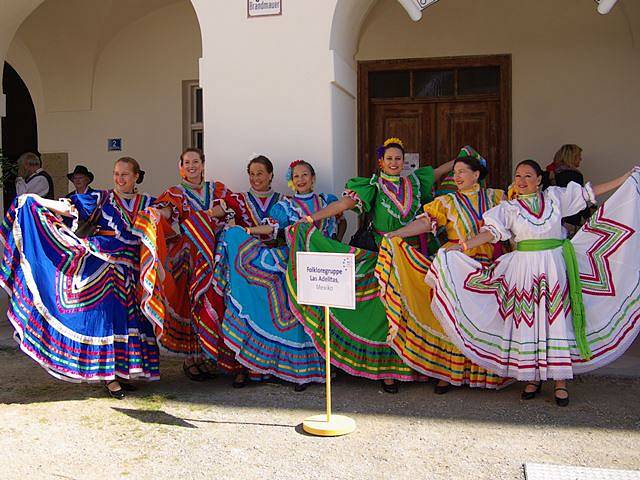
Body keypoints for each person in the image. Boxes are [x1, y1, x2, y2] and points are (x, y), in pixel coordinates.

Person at [426, 159, 638, 406]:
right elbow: (492, 233)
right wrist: (462, 246)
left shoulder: (555, 198)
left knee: (556, 321)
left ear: (539, 180)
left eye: (528, 176)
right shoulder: (508, 209)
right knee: (530, 322)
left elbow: (588, 193)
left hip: (555, 267)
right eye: (518, 176)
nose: (522, 181)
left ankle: (560, 381)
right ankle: (532, 378)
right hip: (524, 270)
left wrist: (624, 179)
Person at [287, 138, 454, 393]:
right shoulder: (372, 186)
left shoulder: (416, 181)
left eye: (398, 158)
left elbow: (443, 170)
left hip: (415, 253)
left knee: (416, 307)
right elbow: (343, 205)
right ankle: (388, 371)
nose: (394, 163)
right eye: (389, 159)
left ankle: (420, 365)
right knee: (385, 311)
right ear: (381, 162)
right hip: (384, 253)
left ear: (404, 161)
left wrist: (466, 158)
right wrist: (311, 218)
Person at [0, 157, 159, 399]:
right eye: (116, 173)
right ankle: (109, 378)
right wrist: (34, 200)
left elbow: (167, 216)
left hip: (134, 270)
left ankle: (124, 372)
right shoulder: (102, 199)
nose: (119, 178)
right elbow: (68, 207)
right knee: (108, 320)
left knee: (132, 320)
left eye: (125, 174)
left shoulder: (148, 202)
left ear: (137, 176)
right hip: (106, 266)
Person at [377, 148, 510, 393]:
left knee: (485, 319)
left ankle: (487, 371)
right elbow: (427, 222)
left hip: (490, 265)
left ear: (477, 174)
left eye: (462, 172)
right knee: (453, 318)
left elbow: (517, 220)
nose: (456, 176)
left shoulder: (498, 197)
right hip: (456, 265)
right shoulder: (446, 202)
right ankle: (449, 373)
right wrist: (397, 233)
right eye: (455, 172)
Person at [214, 160, 342, 390]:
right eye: (296, 176)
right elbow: (271, 228)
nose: (301, 179)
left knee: (322, 315)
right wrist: (246, 231)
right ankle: (299, 374)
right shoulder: (286, 207)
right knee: (300, 317)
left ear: (313, 178)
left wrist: (335, 244)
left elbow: (341, 218)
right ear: (291, 182)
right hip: (296, 265)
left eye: (305, 175)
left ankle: (324, 369)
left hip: (323, 265)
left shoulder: (327, 202)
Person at [135, 147, 241, 382]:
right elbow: (165, 212)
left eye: (195, 161)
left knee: (212, 302)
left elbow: (232, 207)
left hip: (214, 257)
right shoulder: (175, 193)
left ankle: (206, 356)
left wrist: (201, 217)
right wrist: (153, 213)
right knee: (189, 304)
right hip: (187, 260)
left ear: (203, 165)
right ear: (180, 167)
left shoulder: (218, 189)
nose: (191, 166)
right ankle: (190, 359)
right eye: (186, 162)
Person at [224, 154, 283, 387]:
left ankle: (270, 367)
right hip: (245, 270)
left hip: (273, 268)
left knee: (271, 316)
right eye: (252, 173)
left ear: (271, 175)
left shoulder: (283, 201)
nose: (255, 178)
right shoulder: (237, 200)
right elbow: (216, 214)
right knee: (244, 314)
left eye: (260, 173)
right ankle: (243, 367)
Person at [552, 144, 591, 231]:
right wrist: (588, 216)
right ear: (572, 158)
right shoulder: (574, 175)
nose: (581, 159)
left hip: (552, 219)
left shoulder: (552, 173)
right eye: (578, 157)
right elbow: (579, 197)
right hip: (570, 219)